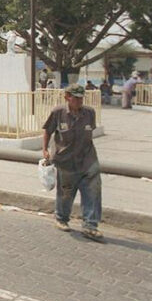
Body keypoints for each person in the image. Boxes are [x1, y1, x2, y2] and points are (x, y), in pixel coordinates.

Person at [42, 84, 103, 241]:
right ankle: (61, 218)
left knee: (93, 192)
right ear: (67, 97)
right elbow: (47, 130)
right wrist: (45, 149)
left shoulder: (89, 113)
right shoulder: (58, 112)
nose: (78, 101)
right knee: (66, 194)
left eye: (81, 98)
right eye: (75, 97)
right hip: (66, 161)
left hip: (88, 160)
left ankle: (90, 225)